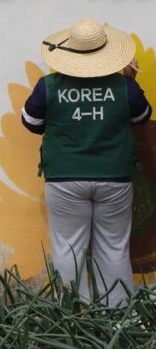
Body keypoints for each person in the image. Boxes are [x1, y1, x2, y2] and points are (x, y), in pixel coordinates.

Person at [22, 18, 151, 306]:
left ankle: (73, 318)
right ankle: (117, 317)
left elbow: (30, 122)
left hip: (64, 179)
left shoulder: (48, 86)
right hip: (114, 179)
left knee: (68, 248)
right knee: (115, 248)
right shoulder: (124, 87)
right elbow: (141, 117)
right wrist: (131, 80)